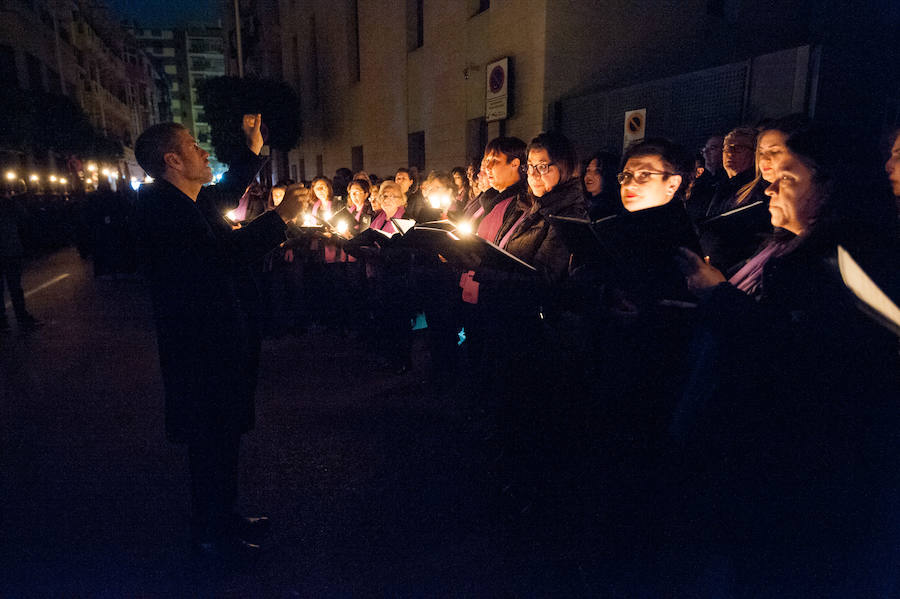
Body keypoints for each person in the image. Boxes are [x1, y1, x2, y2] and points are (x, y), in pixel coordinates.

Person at [675, 124, 900, 591]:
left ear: (831, 186)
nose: (771, 186)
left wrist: (718, 296)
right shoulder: (784, 248)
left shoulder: (841, 261)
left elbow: (794, 356)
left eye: (789, 177)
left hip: (800, 466)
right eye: (772, 175)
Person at [132, 115, 302, 560]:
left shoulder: (189, 199)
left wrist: (253, 147)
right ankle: (210, 536)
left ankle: (224, 516)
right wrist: (278, 219)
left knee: (224, 436)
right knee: (209, 440)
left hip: (221, 341)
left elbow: (226, 191)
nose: (203, 151)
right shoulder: (162, 210)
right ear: (172, 160)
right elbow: (218, 258)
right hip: (200, 350)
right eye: (192, 146)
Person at [0, 191, 41, 331]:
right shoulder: (8, 204)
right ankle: (21, 317)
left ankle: (2, 321)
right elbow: (24, 217)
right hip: (10, 249)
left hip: (9, 248)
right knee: (15, 287)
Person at [704, 127, 758, 217]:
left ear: (754, 153)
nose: (729, 153)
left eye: (738, 148)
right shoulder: (718, 187)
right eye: (726, 148)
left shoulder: (758, 189)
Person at [686, 135, 726, 220]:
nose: (706, 152)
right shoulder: (695, 183)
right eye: (704, 149)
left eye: (712, 148)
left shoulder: (728, 181)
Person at [582, 150, 622, 220]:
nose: (588, 176)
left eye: (597, 171)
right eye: (588, 170)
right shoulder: (585, 204)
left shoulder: (609, 210)